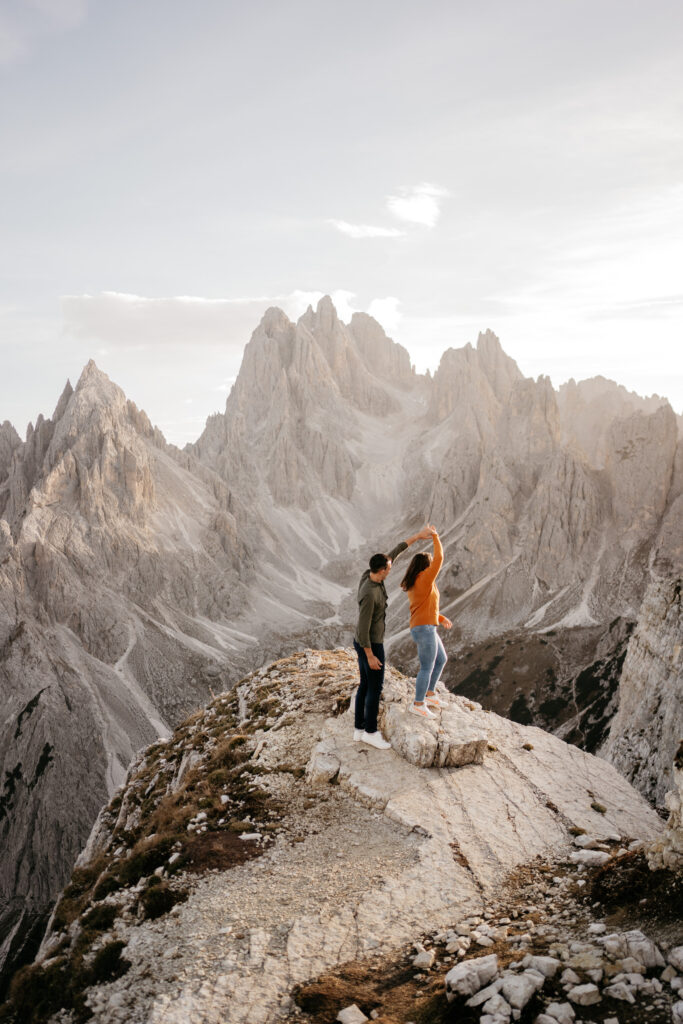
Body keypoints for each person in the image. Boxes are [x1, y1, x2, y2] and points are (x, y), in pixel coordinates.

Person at [353, 527, 433, 749]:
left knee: (364, 685)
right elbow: (362, 626)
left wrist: (417, 536)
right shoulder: (370, 594)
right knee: (374, 688)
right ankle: (370, 732)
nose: (391, 569)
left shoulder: (370, 574)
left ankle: (358, 730)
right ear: (380, 571)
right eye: (388, 569)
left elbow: (394, 553)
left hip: (364, 643)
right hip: (370, 644)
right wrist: (369, 654)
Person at [400, 525, 452, 718]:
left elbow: (423, 607)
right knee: (427, 666)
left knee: (441, 659)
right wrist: (435, 537)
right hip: (424, 629)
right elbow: (439, 558)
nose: (433, 568)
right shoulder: (424, 578)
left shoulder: (417, 582)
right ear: (425, 566)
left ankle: (429, 694)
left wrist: (440, 617)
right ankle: (418, 703)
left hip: (426, 626)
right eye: (429, 565)